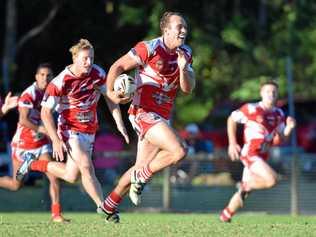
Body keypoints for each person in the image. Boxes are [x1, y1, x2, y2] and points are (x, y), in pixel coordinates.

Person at [16, 39, 129, 223]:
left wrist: (119, 122)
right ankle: (104, 208)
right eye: (84, 58)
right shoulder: (60, 81)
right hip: (69, 130)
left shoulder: (98, 73)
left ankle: (32, 164)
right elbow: (45, 112)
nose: (88, 62)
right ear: (75, 58)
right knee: (86, 165)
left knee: (72, 175)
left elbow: (109, 97)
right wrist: (56, 139)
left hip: (89, 130)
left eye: (91, 58)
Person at [101, 11, 195, 222]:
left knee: (139, 167)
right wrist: (112, 92)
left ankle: (109, 205)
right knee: (179, 150)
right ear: (166, 29)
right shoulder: (149, 48)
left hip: (162, 116)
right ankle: (141, 176)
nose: (183, 31)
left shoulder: (186, 53)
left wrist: (183, 69)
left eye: (185, 27)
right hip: (143, 112)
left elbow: (187, 88)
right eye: (179, 26)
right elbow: (118, 66)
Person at [220, 80, 296, 222]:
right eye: (268, 91)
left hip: (262, 155)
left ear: (277, 94)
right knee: (272, 180)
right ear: (261, 93)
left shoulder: (279, 114)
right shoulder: (251, 108)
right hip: (251, 153)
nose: (271, 95)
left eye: (274, 92)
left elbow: (279, 140)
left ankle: (226, 215)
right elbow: (231, 119)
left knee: (245, 192)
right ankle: (244, 185)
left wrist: (289, 128)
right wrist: (232, 143)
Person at [0, 63, 68, 222]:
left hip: (41, 144)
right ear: (36, 77)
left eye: (49, 75)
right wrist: (42, 129)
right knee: (16, 185)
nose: (45, 78)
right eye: (42, 74)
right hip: (23, 144)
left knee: (54, 176)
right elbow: (23, 120)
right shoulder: (29, 94)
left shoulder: (53, 93)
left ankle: (56, 214)